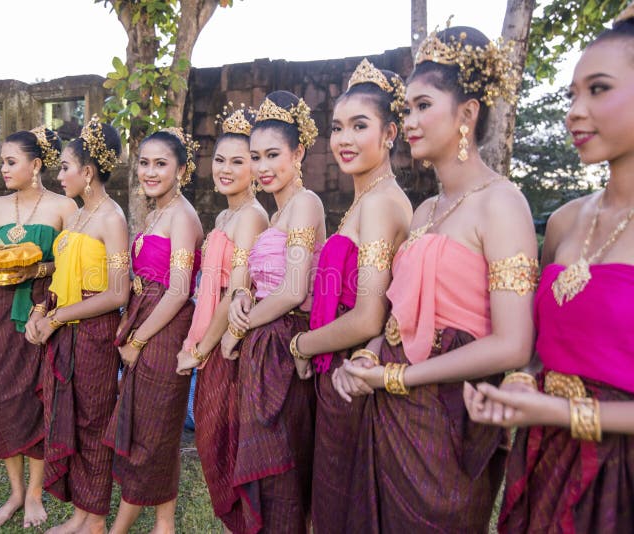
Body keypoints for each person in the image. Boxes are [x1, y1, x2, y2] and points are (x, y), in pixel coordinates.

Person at [333, 26, 539, 531]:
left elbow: (513, 344)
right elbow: (393, 318)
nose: (411, 121)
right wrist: (367, 358)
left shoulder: (502, 203)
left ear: (467, 113)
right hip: (389, 409)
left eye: (424, 105)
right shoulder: (425, 210)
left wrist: (398, 377)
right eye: (407, 109)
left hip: (451, 420)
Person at [464, 6, 634, 532]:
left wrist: (562, 414)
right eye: (571, 95)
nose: (575, 111)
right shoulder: (563, 222)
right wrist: (522, 383)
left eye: (599, 89)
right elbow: (545, 350)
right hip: (546, 460)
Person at [288, 60, 412, 534]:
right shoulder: (363, 201)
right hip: (334, 368)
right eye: (337, 126)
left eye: (360, 126)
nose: (344, 138)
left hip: (351, 375)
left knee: (345, 509)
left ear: (390, 133)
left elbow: (366, 317)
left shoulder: (381, 204)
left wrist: (302, 346)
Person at [220, 90, 325, 533]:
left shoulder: (306, 204)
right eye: (256, 157)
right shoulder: (277, 213)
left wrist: (238, 326)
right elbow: (263, 286)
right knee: (262, 471)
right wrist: (242, 297)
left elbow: (294, 290)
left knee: (281, 471)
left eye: (273, 155)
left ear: (298, 153)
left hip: (285, 348)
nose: (262, 167)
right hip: (263, 345)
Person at [24, 115, 129, 534]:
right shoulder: (76, 217)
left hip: (94, 336)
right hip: (63, 330)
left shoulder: (112, 219)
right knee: (65, 417)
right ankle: (82, 514)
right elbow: (59, 278)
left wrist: (58, 318)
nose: (59, 174)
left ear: (87, 172)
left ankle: (97, 518)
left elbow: (118, 294)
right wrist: (40, 310)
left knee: (92, 424)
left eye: (65, 167)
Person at [0, 126, 76, 528]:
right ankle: (15, 491)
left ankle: (35, 492)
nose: (3, 169)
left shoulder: (63, 207)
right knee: (1, 399)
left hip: (39, 306)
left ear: (35, 165)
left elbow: (70, 262)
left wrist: (38, 267)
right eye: (2, 162)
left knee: (34, 398)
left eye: (11, 162)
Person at [102, 127, 202, 534]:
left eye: (161, 164)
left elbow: (179, 291)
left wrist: (139, 341)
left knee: (151, 426)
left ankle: (120, 527)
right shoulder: (156, 212)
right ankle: (164, 522)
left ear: (180, 168)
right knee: (155, 425)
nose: (150, 171)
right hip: (144, 315)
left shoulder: (182, 215)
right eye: (144, 163)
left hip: (164, 325)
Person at [175, 105, 268, 532]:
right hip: (208, 343)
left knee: (228, 448)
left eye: (239, 161)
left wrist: (202, 349)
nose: (225, 169)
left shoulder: (251, 216)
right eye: (220, 160)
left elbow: (235, 291)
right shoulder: (223, 216)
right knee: (213, 445)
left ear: (256, 167)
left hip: (231, 349)